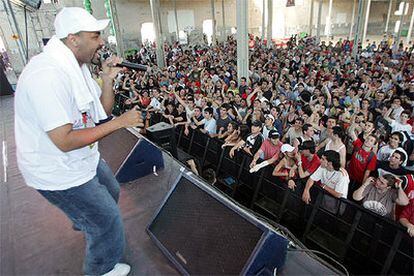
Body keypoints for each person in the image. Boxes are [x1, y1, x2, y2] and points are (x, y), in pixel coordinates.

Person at [14, 8, 141, 276]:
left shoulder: (78, 68)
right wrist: (120, 123)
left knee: (111, 191)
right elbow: (64, 139)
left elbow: (101, 112)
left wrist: (107, 79)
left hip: (82, 159)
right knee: (107, 221)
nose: (102, 42)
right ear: (73, 39)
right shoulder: (47, 75)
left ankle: (84, 218)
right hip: (58, 169)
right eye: (96, 36)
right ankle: (101, 269)